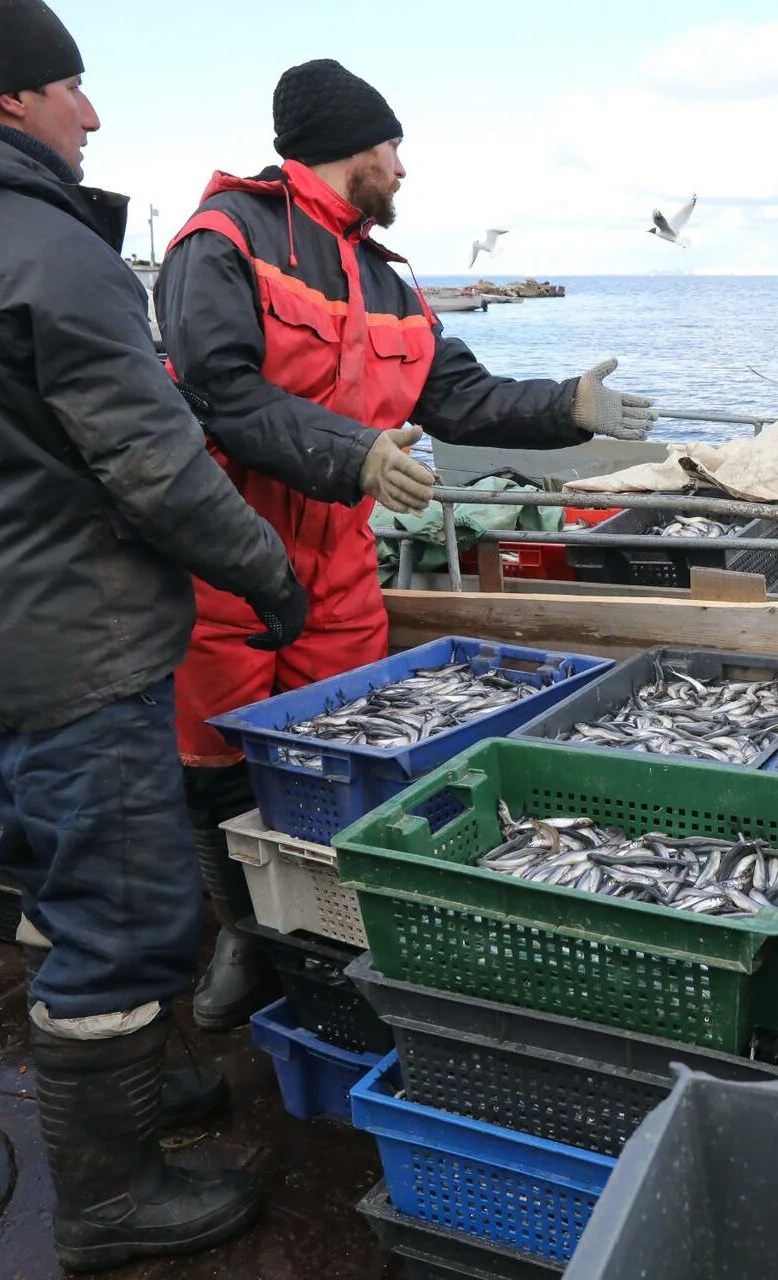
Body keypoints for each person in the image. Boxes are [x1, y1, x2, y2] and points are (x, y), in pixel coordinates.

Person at [0, 0, 298, 1268]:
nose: (93, 113)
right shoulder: (37, 239)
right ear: (11, 98)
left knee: (57, 863)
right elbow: (154, 459)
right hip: (81, 633)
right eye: (74, 87)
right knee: (127, 909)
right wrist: (266, 571)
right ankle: (110, 1194)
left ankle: (137, 1091)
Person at [154, 57, 657, 1027]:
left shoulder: (389, 282)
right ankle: (245, 935)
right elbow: (218, 389)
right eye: (393, 148)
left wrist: (570, 406)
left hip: (339, 570)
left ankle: (329, 934)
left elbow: (459, 398)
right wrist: (358, 454)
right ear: (353, 148)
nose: (403, 168)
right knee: (215, 762)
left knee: (341, 755)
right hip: (222, 557)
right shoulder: (221, 241)